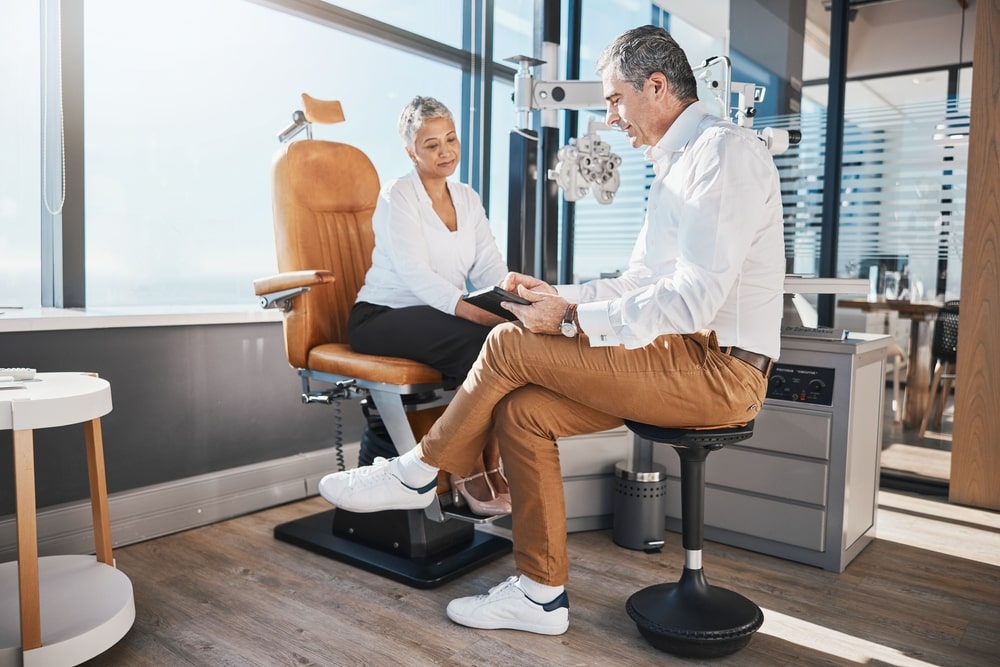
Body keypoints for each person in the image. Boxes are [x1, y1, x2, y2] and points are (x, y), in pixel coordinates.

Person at [318, 25, 785, 636]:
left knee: (507, 343)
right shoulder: (675, 167)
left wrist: (569, 319)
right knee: (525, 411)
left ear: (656, 87)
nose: (610, 117)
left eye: (615, 99)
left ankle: (418, 472)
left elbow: (695, 301)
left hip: (720, 371)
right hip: (679, 358)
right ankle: (539, 595)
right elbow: (637, 283)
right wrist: (560, 297)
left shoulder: (723, 154)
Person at [335, 95, 511, 516]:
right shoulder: (398, 195)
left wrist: (511, 301)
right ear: (411, 152)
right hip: (380, 317)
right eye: (431, 144)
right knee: (480, 344)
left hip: (435, 317)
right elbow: (415, 274)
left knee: (507, 339)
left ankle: (492, 464)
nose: (445, 151)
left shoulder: (467, 198)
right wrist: (475, 311)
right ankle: (467, 469)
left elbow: (490, 266)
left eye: (450, 139)